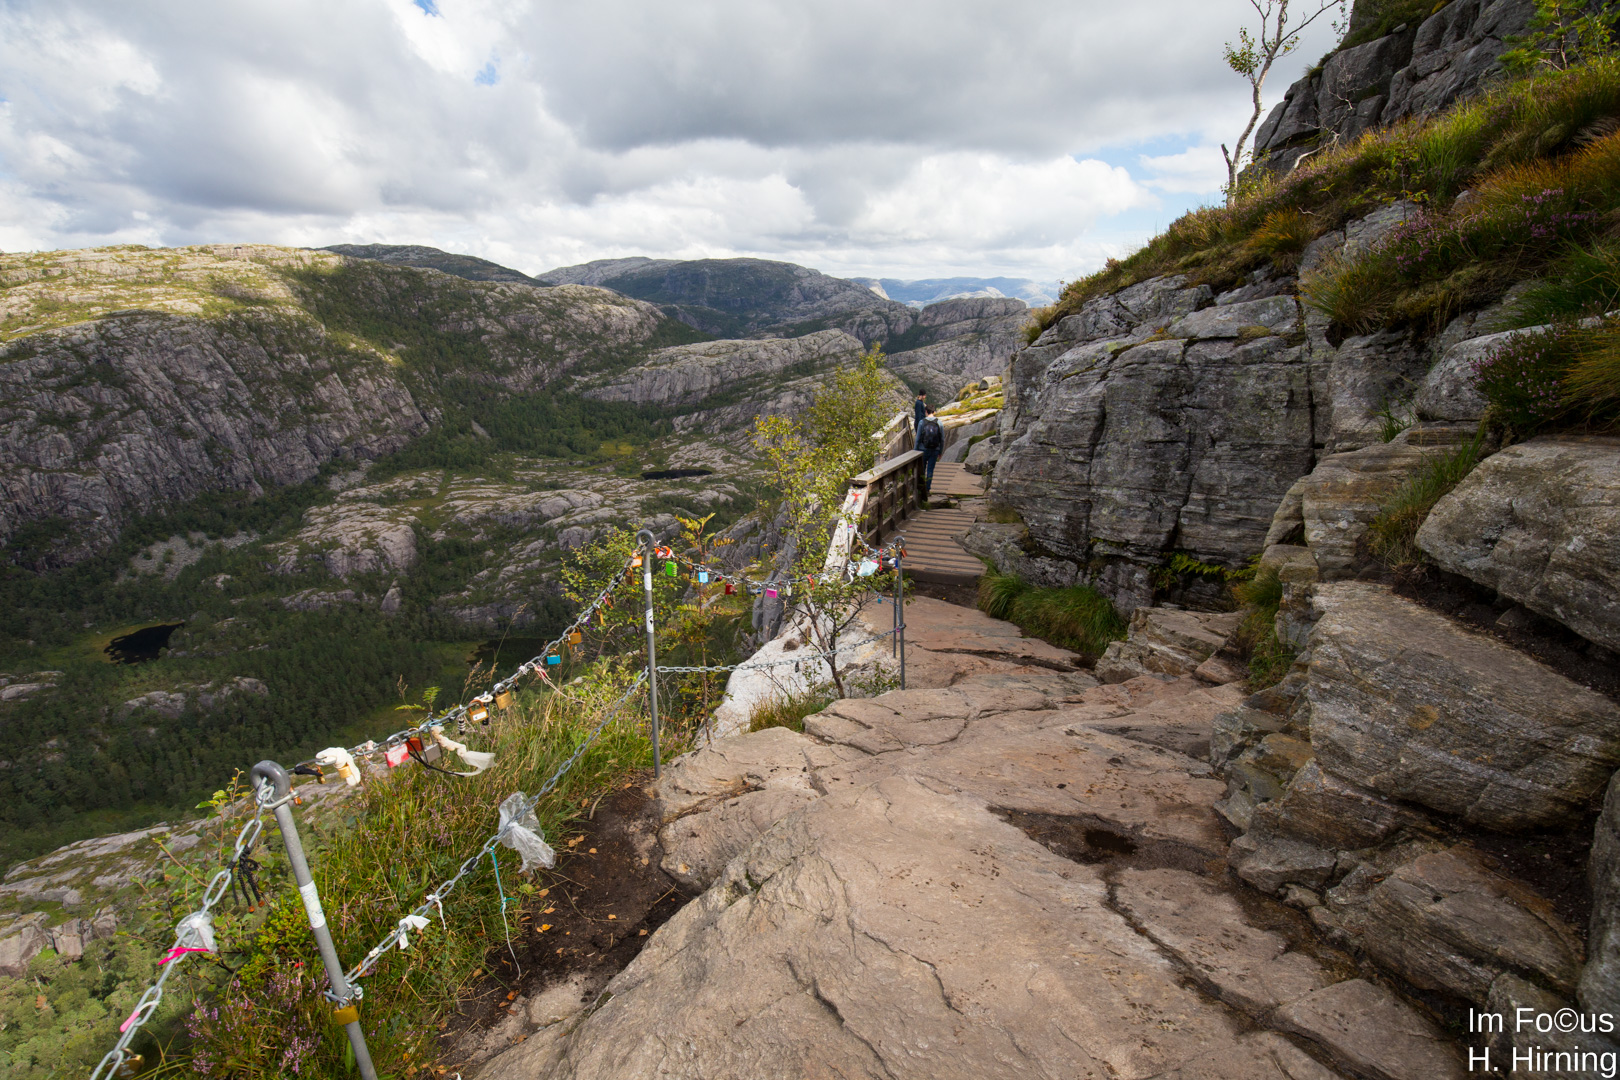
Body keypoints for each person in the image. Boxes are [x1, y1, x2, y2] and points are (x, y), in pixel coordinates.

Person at [916, 406, 944, 496]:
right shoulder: (939, 422)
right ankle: (927, 490)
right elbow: (942, 439)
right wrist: (940, 451)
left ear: (926, 411)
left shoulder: (922, 422)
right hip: (935, 450)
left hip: (923, 449)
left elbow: (918, 438)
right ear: (934, 412)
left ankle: (921, 490)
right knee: (930, 470)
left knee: (922, 470)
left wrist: (915, 450)